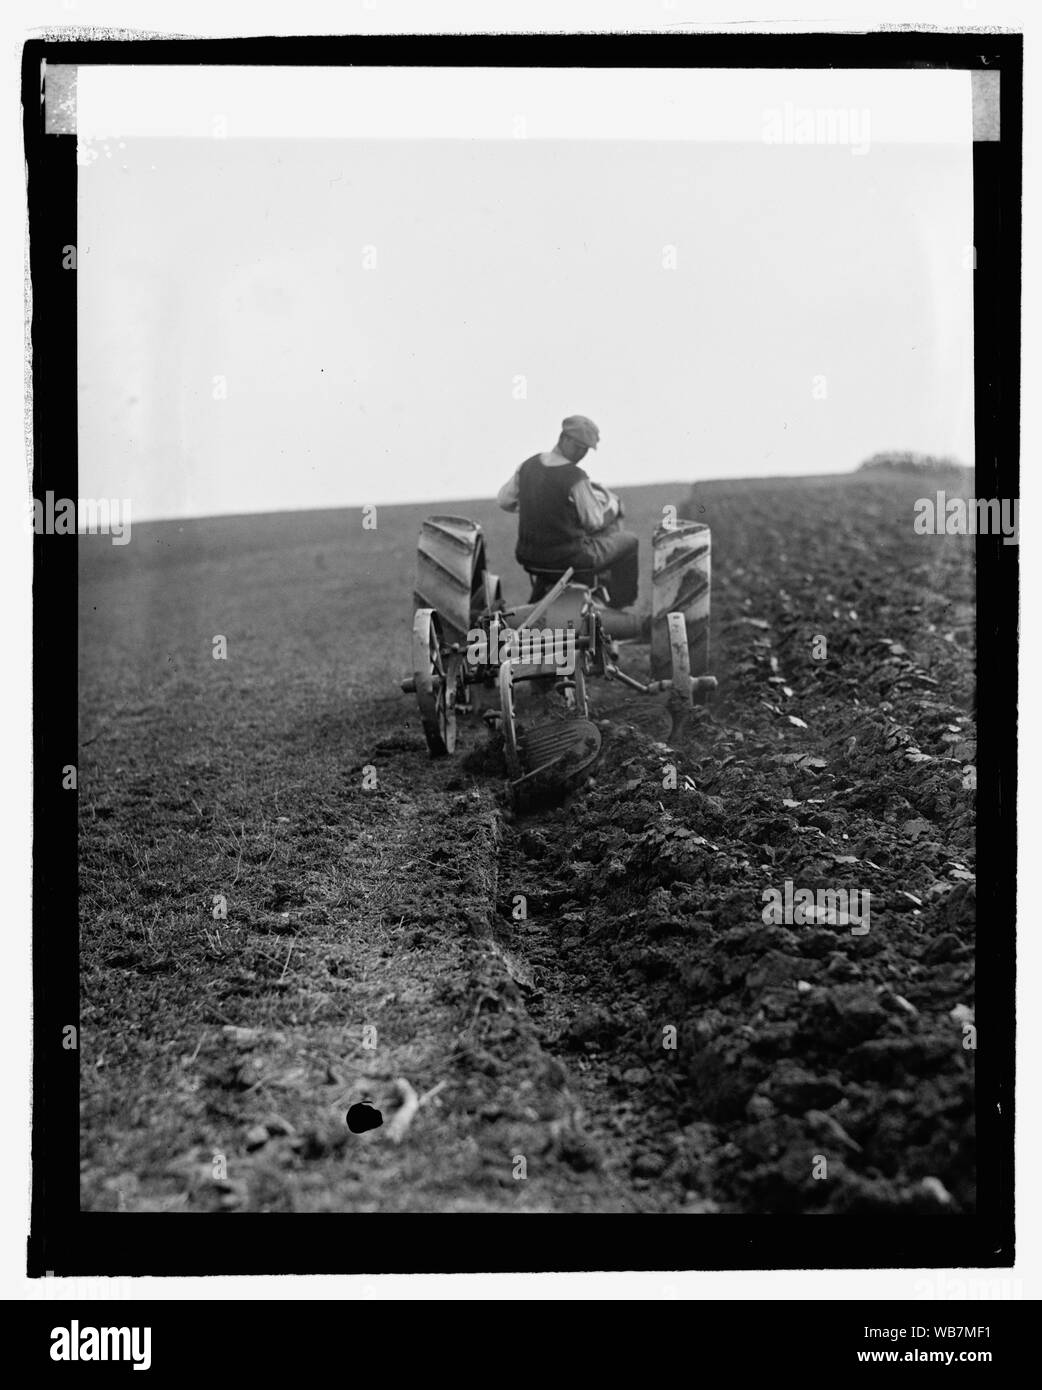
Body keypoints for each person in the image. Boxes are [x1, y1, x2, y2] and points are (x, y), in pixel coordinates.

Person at [497, 415, 640, 609]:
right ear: (563, 439)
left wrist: (538, 506)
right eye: (579, 447)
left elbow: (504, 501)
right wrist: (613, 507)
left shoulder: (527, 465)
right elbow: (594, 522)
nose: (582, 454)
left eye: (586, 450)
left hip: (529, 557)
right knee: (630, 542)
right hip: (569, 560)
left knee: (556, 550)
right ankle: (620, 605)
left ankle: (541, 597)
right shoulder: (576, 477)